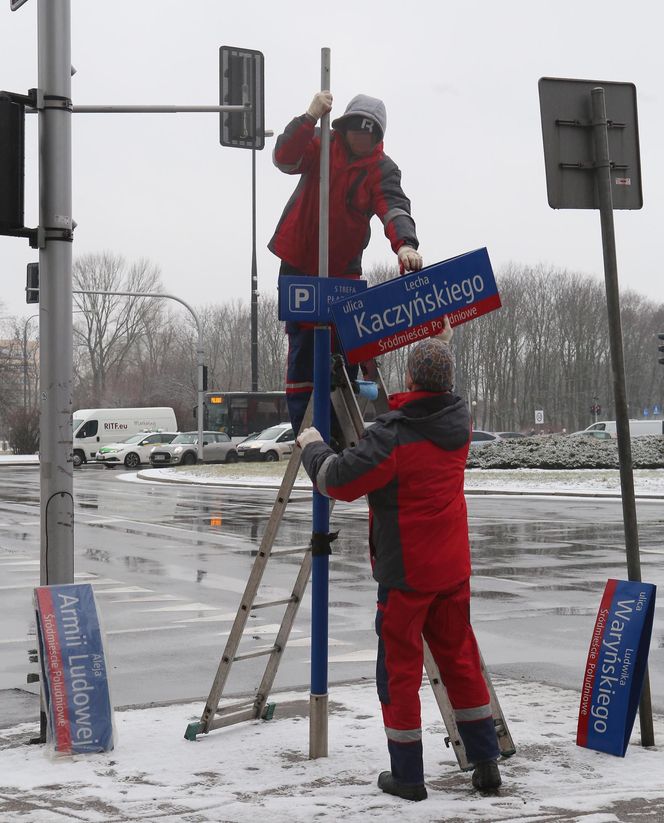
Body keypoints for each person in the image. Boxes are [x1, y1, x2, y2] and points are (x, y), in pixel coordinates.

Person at [296, 334, 502, 802]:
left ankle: (408, 776)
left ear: (409, 378)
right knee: (461, 662)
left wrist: (312, 445)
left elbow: (337, 480)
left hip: (406, 572)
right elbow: (413, 415)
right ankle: (486, 762)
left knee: (399, 673)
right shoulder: (459, 423)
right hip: (451, 569)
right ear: (448, 382)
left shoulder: (393, 436)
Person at [269, 91, 423, 435]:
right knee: (303, 348)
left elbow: (394, 208)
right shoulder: (320, 143)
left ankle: (340, 436)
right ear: (344, 127)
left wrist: (405, 245)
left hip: (343, 272)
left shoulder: (382, 170)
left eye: (369, 133)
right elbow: (283, 158)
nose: (361, 138)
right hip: (299, 264)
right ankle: (306, 433)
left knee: (342, 350)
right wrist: (308, 117)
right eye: (355, 130)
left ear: (377, 137)